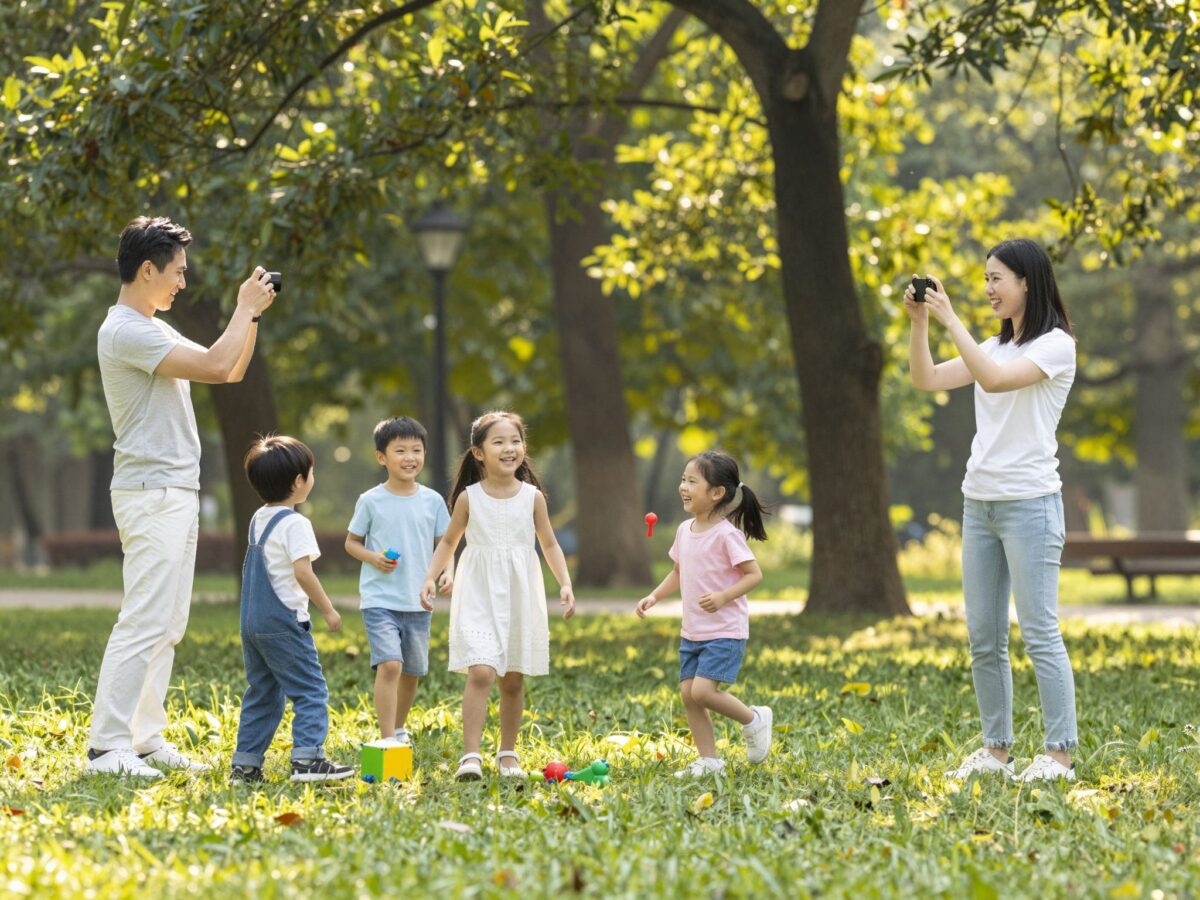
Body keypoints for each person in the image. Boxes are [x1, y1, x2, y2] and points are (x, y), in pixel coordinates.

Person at [88, 216, 275, 778]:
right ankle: (106, 747)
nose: (182, 284)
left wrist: (253, 315)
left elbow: (230, 370)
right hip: (151, 491)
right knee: (144, 618)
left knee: (168, 623)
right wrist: (240, 309)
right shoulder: (127, 330)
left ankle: (143, 739)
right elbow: (219, 362)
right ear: (147, 270)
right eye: (177, 272)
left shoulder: (153, 326)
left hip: (174, 488)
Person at [905, 238, 1079, 783]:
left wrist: (950, 316)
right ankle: (997, 750)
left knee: (1039, 632)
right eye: (985, 280)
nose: (988, 289)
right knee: (983, 636)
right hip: (979, 505)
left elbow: (997, 380)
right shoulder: (991, 346)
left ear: (1027, 281)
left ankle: (1059, 754)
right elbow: (927, 379)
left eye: (997, 278)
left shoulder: (1056, 346)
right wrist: (920, 323)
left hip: (1031, 506)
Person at [420, 411, 575, 781]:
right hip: (478, 591)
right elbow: (449, 541)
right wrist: (431, 577)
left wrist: (565, 583)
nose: (510, 448)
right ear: (478, 452)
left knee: (513, 679)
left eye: (515, 441)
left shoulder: (533, 497)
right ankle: (470, 756)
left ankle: (508, 753)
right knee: (482, 671)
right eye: (499, 442)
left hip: (521, 591)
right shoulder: (468, 499)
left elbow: (549, 543)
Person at [636, 450, 775, 777]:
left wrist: (724, 596)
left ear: (717, 493)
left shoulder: (727, 534)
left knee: (702, 691)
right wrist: (653, 596)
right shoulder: (685, 530)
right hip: (693, 631)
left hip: (725, 629)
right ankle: (709, 760)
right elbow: (678, 572)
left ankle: (754, 719)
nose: (683, 486)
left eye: (692, 481)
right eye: (683, 479)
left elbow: (754, 574)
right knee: (689, 694)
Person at [231, 435, 354, 783]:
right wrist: (328, 609)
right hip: (284, 623)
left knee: (263, 692)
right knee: (311, 690)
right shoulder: (296, 524)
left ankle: (246, 764)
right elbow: (303, 572)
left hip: (252, 622)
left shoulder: (259, 518)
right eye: (310, 473)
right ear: (299, 482)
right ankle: (308, 760)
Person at [344, 416, 452, 748]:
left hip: (418, 600)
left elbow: (446, 544)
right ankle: (387, 737)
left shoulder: (432, 501)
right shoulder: (371, 500)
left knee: (412, 671)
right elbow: (351, 543)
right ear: (381, 457)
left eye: (416, 450)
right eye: (400, 450)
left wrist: (448, 572)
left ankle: (400, 727)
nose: (410, 457)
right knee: (390, 665)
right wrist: (373, 557)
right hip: (380, 599)